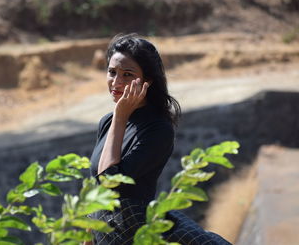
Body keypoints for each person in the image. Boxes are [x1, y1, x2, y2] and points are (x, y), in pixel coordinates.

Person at [86, 34, 231, 245]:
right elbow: (95, 188)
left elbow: (109, 181)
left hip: (135, 233)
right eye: (112, 72)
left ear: (147, 81)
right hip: (104, 232)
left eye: (127, 74)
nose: (116, 82)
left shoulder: (158, 129)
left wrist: (120, 115)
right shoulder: (107, 122)